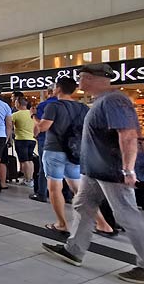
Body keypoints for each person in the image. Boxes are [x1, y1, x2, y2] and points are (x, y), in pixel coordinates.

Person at [42, 63, 144, 283]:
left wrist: (128, 168)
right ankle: (74, 250)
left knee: (126, 213)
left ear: (89, 78)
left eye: (81, 77)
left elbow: (127, 135)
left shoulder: (114, 100)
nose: (78, 82)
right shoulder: (99, 102)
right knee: (83, 206)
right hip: (94, 170)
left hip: (111, 170)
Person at [37, 77, 113, 237]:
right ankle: (103, 224)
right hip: (75, 152)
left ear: (58, 89)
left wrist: (34, 119)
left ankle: (62, 224)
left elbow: (43, 127)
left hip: (54, 151)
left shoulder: (53, 105)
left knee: (54, 187)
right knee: (79, 189)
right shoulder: (82, 108)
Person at [30, 83, 58, 203]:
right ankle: (67, 195)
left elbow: (40, 125)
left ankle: (42, 193)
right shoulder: (72, 105)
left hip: (46, 140)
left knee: (44, 167)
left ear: (49, 92)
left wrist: (33, 115)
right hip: (65, 141)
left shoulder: (44, 105)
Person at [12, 97, 35, 187]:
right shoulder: (31, 113)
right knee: (30, 160)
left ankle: (28, 180)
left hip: (21, 140)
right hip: (32, 139)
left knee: (24, 161)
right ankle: (30, 178)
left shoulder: (16, 115)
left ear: (18, 104)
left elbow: (9, 126)